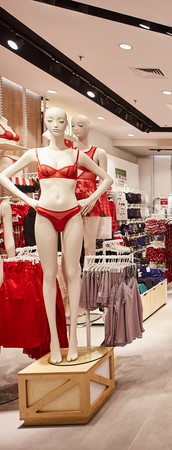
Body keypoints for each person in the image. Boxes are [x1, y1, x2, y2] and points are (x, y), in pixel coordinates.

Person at [0, 107, 113, 363]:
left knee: (73, 272)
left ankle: (73, 340)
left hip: (72, 213)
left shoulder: (76, 155)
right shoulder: (35, 154)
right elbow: (4, 176)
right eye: (50, 120)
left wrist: (90, 200)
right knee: (49, 275)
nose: (56, 124)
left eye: (61, 120)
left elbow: (106, 179)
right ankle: (53, 340)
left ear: (66, 124)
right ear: (46, 123)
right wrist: (29, 201)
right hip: (44, 214)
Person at [71, 114, 110, 256]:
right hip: (71, 201)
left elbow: (104, 180)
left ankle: (89, 270)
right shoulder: (69, 152)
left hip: (91, 202)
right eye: (73, 125)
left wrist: (93, 199)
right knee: (70, 244)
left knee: (89, 244)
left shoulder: (99, 153)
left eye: (80, 125)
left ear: (88, 127)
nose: (76, 129)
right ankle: (72, 270)